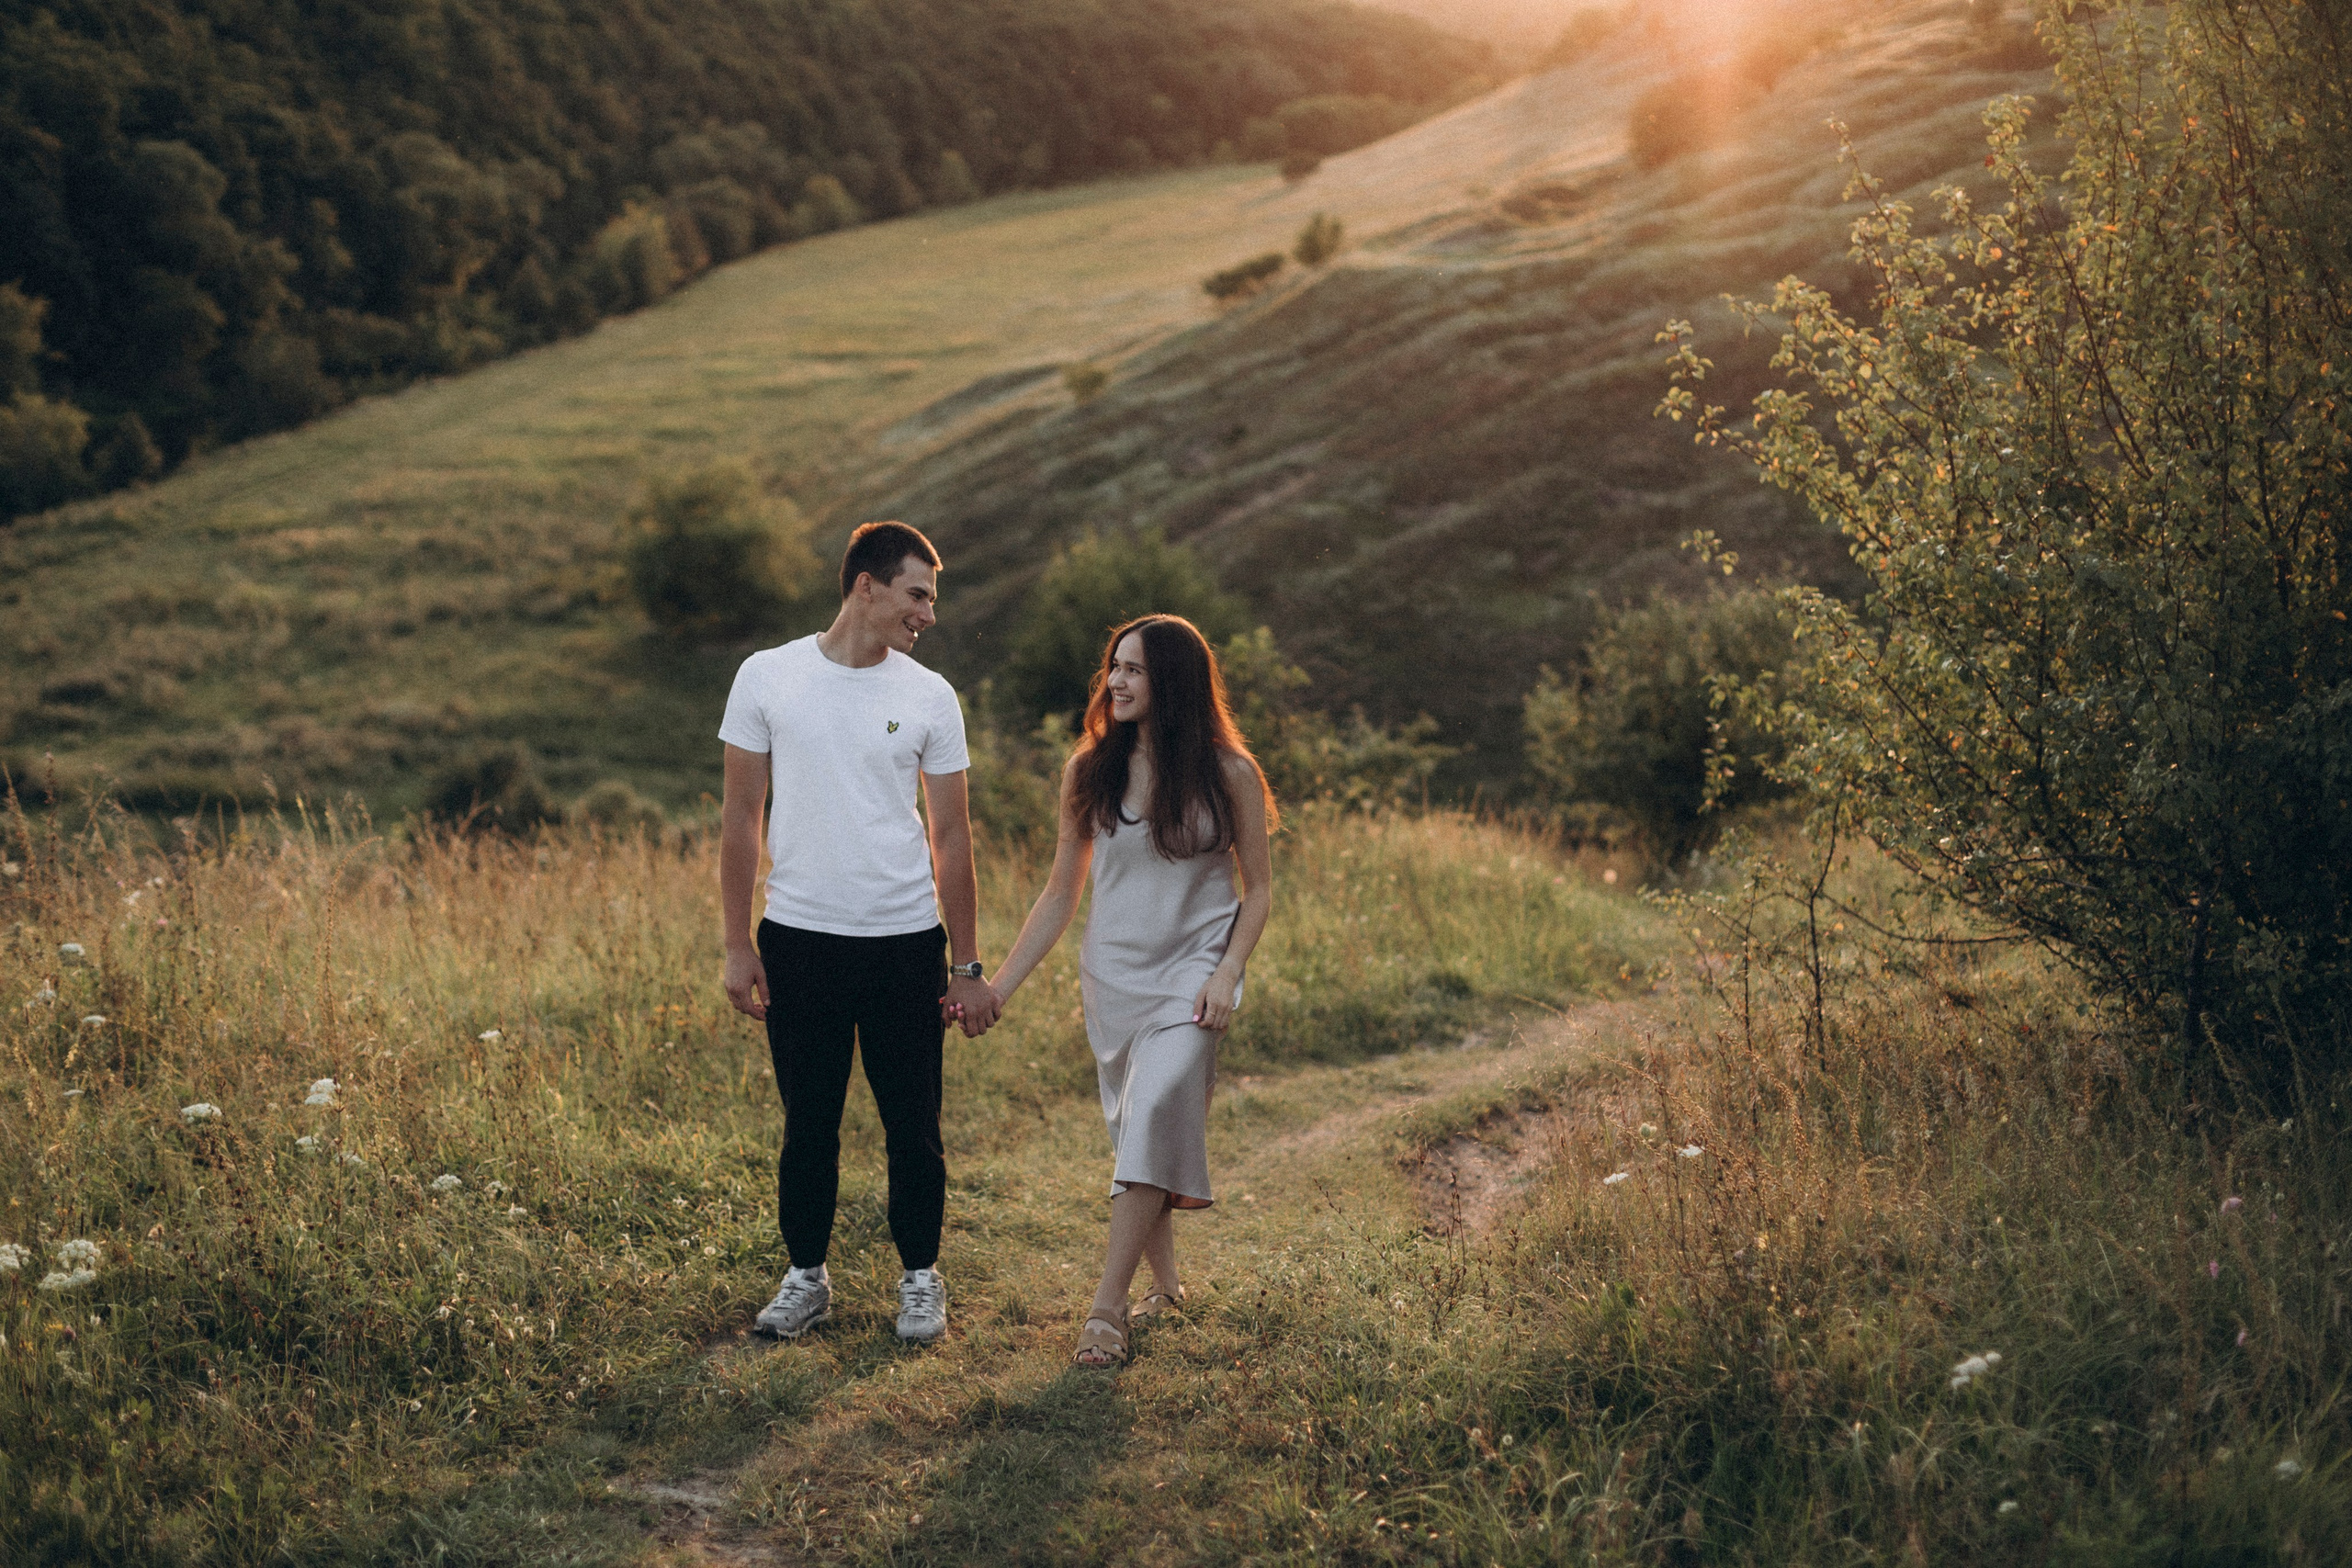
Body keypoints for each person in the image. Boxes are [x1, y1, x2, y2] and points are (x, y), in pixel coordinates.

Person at [717, 520, 1001, 1345]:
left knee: (913, 1123)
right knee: (808, 1121)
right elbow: (741, 818)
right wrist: (739, 944)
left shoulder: (929, 696)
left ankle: (920, 1278)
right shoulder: (767, 676)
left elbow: (953, 837)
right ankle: (806, 1276)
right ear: (865, 586)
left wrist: (967, 962)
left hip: (906, 943)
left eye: (933, 599)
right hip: (798, 941)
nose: (929, 614)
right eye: (918, 594)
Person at [985, 614, 1275, 1368]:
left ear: (1172, 681)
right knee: (1137, 1129)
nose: (1115, 681)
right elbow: (1058, 894)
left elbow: (1260, 889)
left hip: (1193, 973)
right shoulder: (1090, 770)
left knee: (1152, 1111)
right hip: (1112, 974)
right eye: (1114, 666)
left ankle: (1105, 1312)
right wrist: (1000, 986)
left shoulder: (1231, 774)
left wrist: (1228, 970)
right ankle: (1169, 1286)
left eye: (1135, 670)